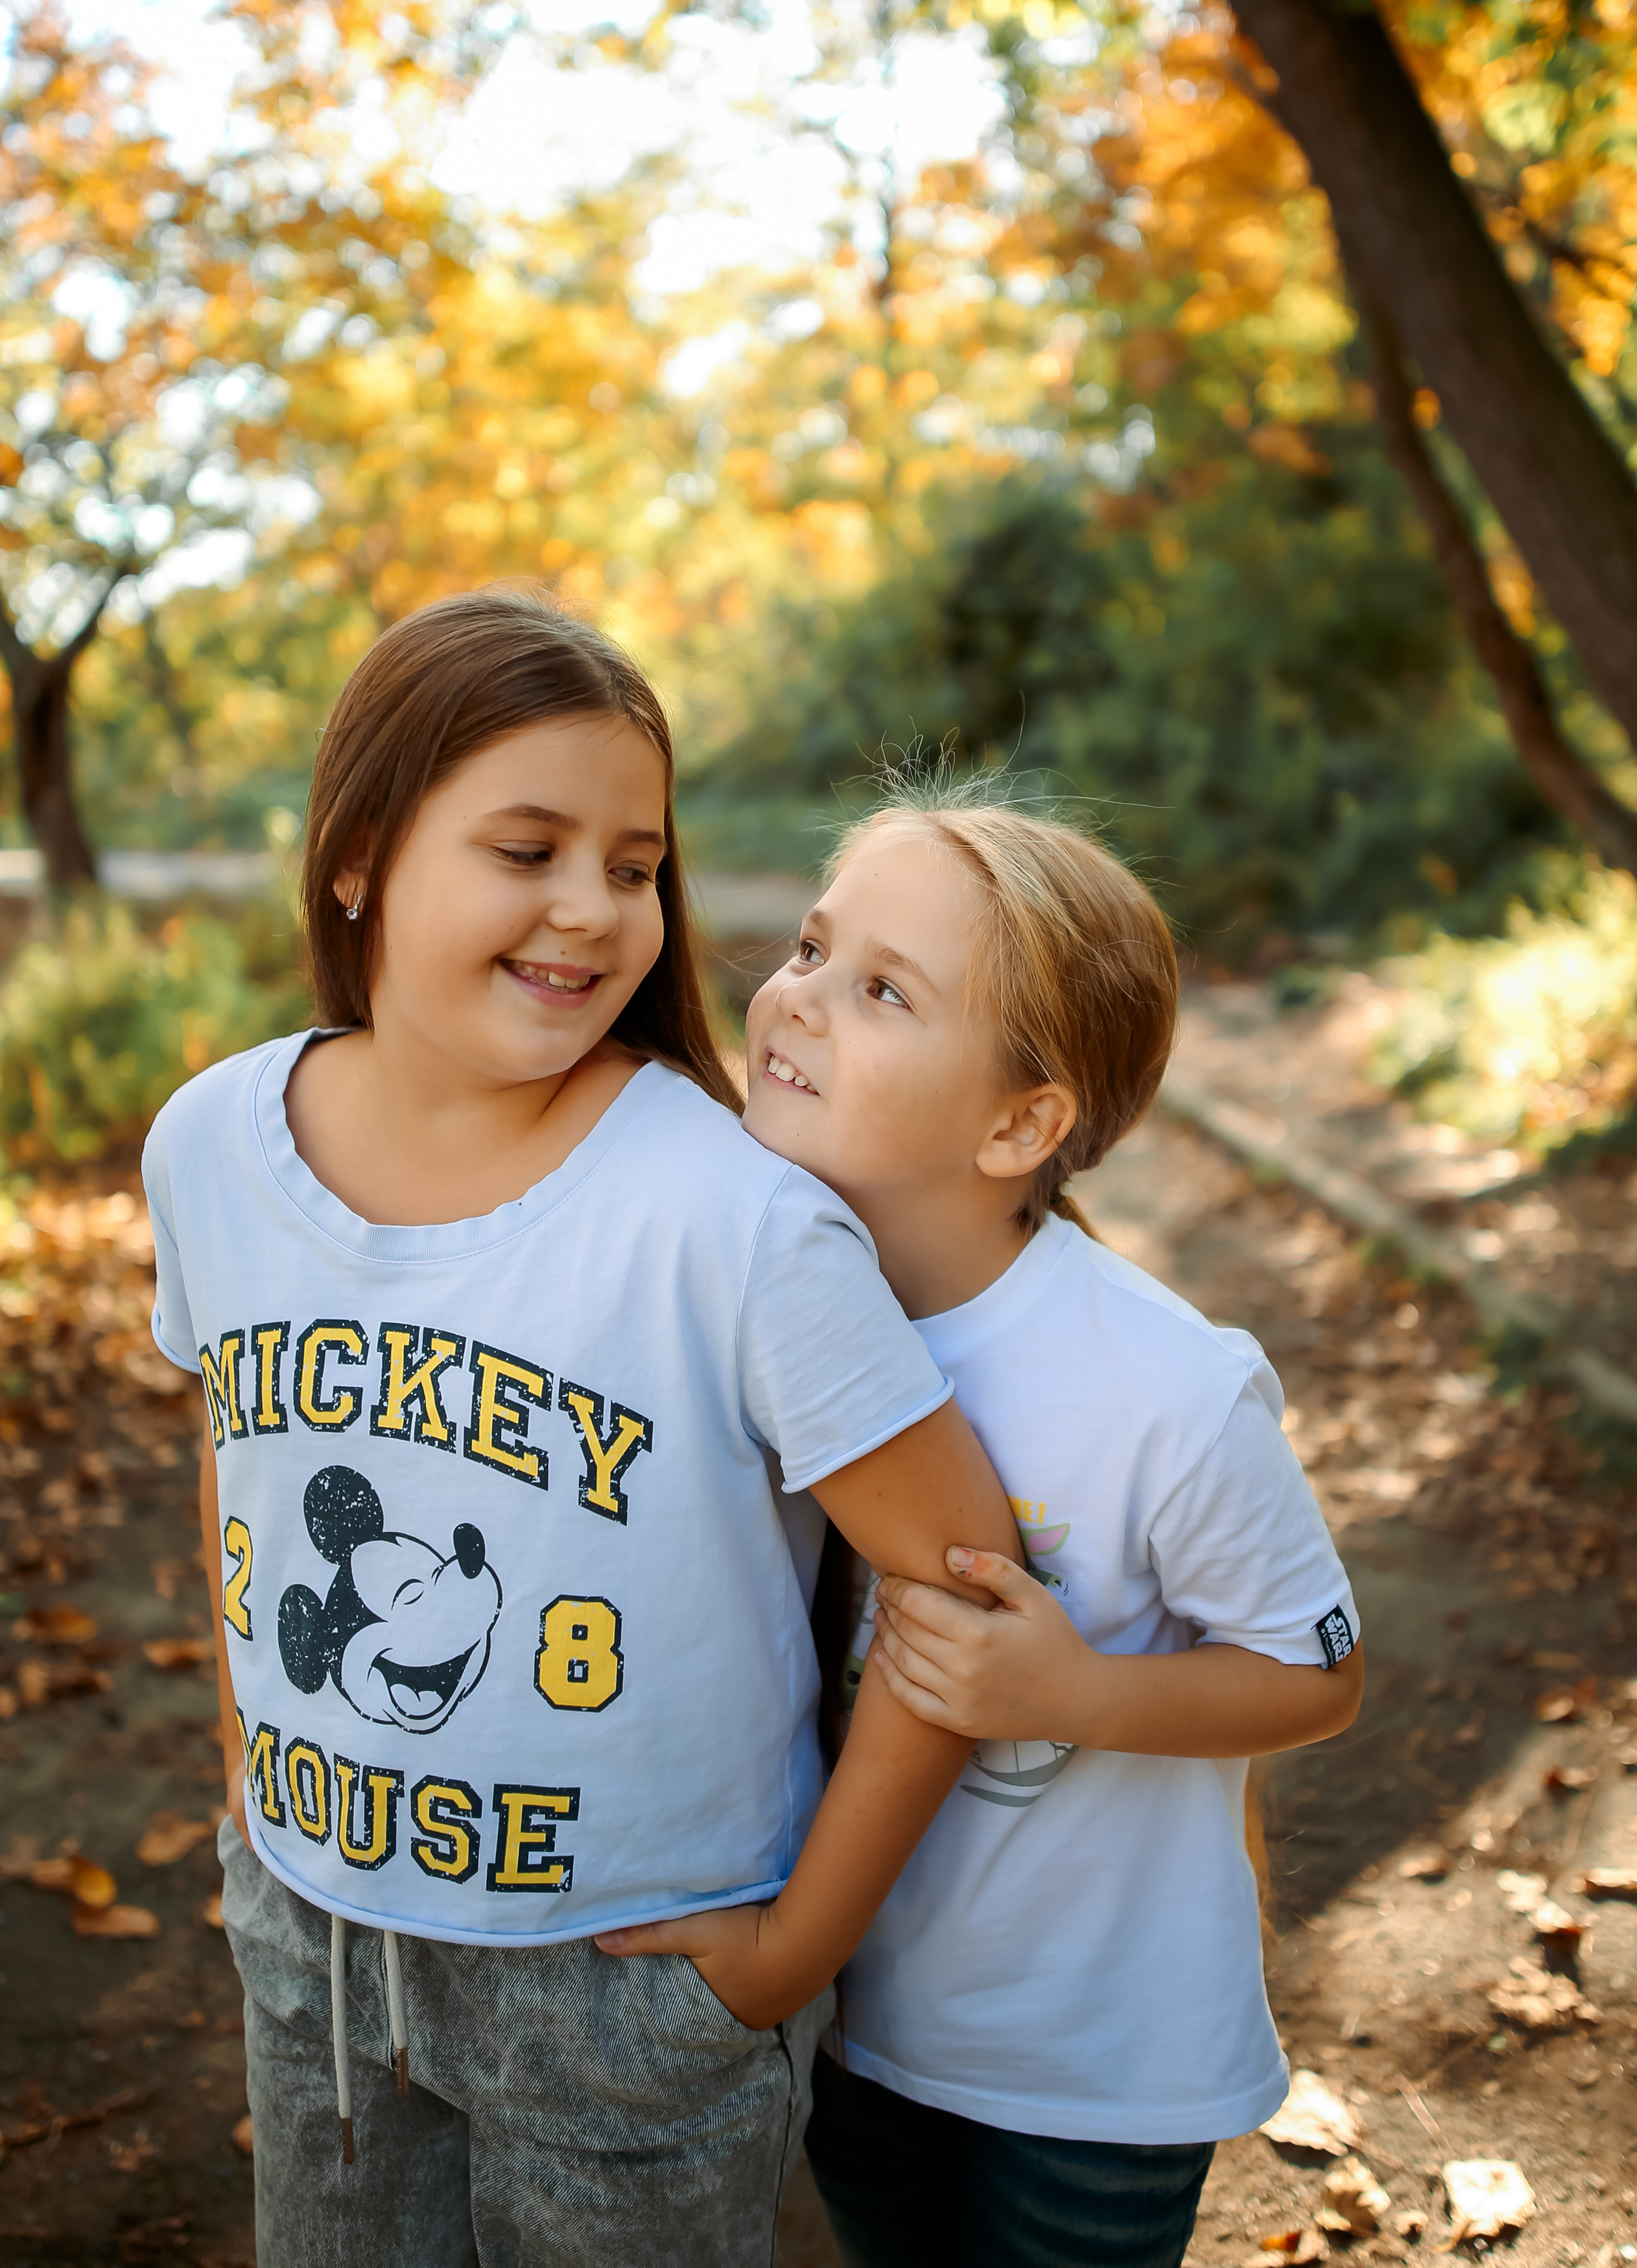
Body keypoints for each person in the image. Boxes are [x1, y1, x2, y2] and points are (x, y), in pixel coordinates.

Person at [141, 589, 1017, 2268]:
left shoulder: (731, 1221)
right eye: (527, 849)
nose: (594, 910)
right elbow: (236, 1445)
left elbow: (962, 1583)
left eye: (634, 864)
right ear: (356, 857)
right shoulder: (209, 1145)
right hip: (314, 1937)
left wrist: (794, 1948)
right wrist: (248, 1765)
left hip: (631, 1984)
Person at [737, 783, 1366, 2268]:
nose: (798, 998)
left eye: (883, 990)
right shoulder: (750, 1300)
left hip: (1097, 2067)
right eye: (813, 949)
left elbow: (1319, 1673)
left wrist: (1072, 1692)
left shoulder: (1164, 1388)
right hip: (851, 2021)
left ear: (1020, 1123)